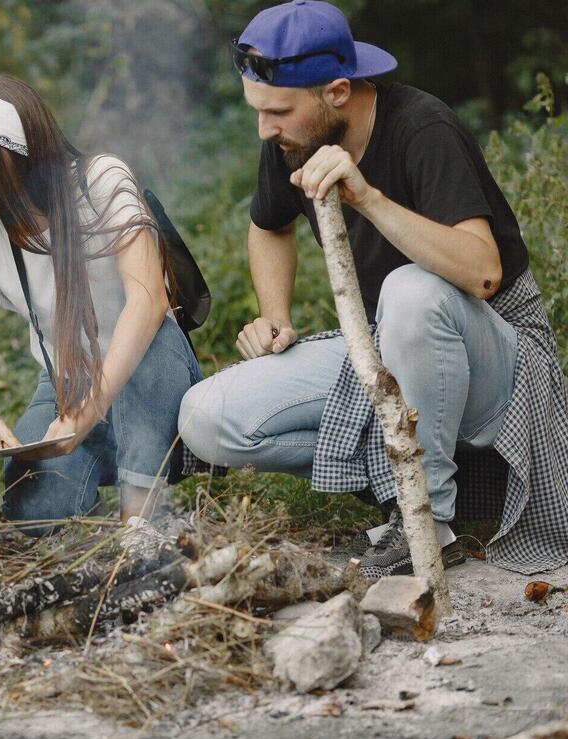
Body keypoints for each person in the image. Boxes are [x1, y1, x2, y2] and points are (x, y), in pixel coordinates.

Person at [179, 0, 568, 578]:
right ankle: (393, 467)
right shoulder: (292, 135)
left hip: (500, 357)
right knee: (208, 418)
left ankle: (426, 522)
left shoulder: (422, 126)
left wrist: (369, 198)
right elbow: (268, 226)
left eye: (278, 112)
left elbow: (483, 271)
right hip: (385, 346)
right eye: (258, 112)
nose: (265, 129)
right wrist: (274, 314)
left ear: (337, 91)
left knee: (413, 290)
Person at [0, 75, 202, 534]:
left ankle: (139, 524)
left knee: (150, 350)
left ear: (23, 156)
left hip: (150, 364)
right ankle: (108, 474)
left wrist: (86, 415)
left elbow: (148, 303)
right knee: (34, 511)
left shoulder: (100, 182)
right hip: (66, 379)